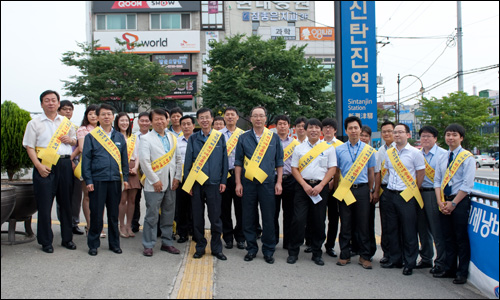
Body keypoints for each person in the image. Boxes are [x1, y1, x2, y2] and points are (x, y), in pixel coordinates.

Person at [23, 90, 78, 253]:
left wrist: (72, 140)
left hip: (65, 165)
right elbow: (29, 146)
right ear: (42, 104)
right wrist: (39, 166)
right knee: (45, 204)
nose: (51, 103)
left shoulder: (66, 123)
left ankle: (67, 239)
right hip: (44, 165)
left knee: (66, 204)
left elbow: (75, 141)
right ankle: (46, 241)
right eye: (47, 100)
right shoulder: (34, 123)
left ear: (58, 103)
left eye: (54, 100)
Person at [235, 106, 284, 264]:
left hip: (268, 183)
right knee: (248, 217)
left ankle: (268, 250)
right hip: (248, 183)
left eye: (261, 116)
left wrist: (279, 182)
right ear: (250, 118)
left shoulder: (273, 138)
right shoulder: (243, 137)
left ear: (265, 118)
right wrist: (238, 183)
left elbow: (279, 162)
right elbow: (238, 163)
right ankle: (251, 248)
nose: (258, 118)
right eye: (255, 116)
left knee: (269, 217)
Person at [287, 119, 337, 266]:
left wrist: (322, 185)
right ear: (306, 130)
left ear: (320, 131)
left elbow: (332, 168)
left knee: (319, 221)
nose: (313, 130)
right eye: (310, 127)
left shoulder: (328, 148)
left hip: (320, 188)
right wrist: (304, 185)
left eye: (316, 127)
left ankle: (317, 253)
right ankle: (293, 252)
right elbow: (294, 168)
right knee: (298, 220)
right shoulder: (299, 148)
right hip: (303, 187)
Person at [82, 104, 130, 256]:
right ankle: (93, 244)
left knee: (113, 214)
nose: (106, 117)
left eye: (109, 114)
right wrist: (88, 180)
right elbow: (86, 160)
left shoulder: (119, 137)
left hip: (115, 180)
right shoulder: (91, 137)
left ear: (113, 117)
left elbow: (124, 160)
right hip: (97, 180)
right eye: (103, 114)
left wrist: (126, 178)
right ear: (98, 117)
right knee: (96, 213)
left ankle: (114, 244)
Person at [183, 108, 228, 260]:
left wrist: (223, 181)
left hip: (214, 183)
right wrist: (188, 184)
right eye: (201, 118)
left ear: (212, 119)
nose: (204, 120)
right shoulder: (193, 138)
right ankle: (200, 247)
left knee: (215, 218)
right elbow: (188, 162)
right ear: (198, 120)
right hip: (196, 183)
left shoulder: (219, 137)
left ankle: (216, 248)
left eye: (206, 117)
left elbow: (224, 161)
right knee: (197, 217)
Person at [433, 124, 475, 285]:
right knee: (447, 237)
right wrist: (440, 201)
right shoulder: (443, 156)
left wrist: (453, 203)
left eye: (454, 135)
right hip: (444, 200)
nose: (450, 137)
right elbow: (437, 180)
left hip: (460, 201)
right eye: (448, 134)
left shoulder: (467, 157)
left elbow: (467, 185)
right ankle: (449, 269)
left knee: (460, 238)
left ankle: (462, 272)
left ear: (461, 138)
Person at [382, 123, 425, 276]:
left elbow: (421, 174)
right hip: (391, 193)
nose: (397, 135)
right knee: (392, 229)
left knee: (409, 230)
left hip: (407, 195)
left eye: (400, 132)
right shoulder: (389, 153)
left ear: (408, 134)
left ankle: (410, 262)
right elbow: (388, 172)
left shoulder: (415, 153)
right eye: (395, 132)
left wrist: (413, 191)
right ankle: (395, 259)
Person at [333, 116, 376, 270]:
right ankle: (344, 253)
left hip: (363, 189)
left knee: (363, 224)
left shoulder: (368, 150)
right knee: (345, 223)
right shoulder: (339, 149)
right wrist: (337, 188)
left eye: (356, 128)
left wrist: (371, 190)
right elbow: (337, 171)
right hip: (345, 189)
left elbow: (371, 172)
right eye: (350, 128)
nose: (353, 131)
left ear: (360, 129)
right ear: (346, 131)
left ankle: (365, 256)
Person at [139, 109, 182, 257]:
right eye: (156, 119)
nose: (160, 121)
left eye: (163, 119)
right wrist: (154, 180)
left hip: (171, 183)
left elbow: (178, 159)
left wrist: (177, 177)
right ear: (151, 121)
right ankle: (148, 244)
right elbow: (144, 162)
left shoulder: (172, 137)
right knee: (152, 215)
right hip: (154, 184)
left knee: (168, 214)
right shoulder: (146, 138)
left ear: (167, 120)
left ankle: (167, 242)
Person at [418, 125, 448, 274]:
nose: (425, 139)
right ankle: (426, 258)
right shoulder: (417, 154)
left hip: (434, 194)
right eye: (423, 136)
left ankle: (441, 261)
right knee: (422, 229)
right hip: (419, 192)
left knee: (437, 229)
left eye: (429, 136)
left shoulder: (443, 154)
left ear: (435, 139)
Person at [75, 105, 104, 237]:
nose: (93, 116)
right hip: (87, 166)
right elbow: (81, 148)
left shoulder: (104, 129)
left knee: (101, 198)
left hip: (102, 168)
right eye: (90, 113)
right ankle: (90, 225)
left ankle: (99, 227)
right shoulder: (83, 130)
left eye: (95, 114)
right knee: (87, 196)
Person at [220, 107, 246, 250]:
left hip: (240, 177)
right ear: (224, 117)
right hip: (223, 177)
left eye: (232, 115)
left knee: (241, 209)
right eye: (227, 115)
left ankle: (240, 237)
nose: (230, 117)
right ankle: (228, 237)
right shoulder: (217, 135)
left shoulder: (243, 135)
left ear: (237, 118)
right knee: (224, 209)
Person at [57, 100, 84, 235]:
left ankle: (74, 222)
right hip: (63, 163)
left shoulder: (75, 127)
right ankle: (64, 221)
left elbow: (79, 145)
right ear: (58, 110)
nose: (68, 112)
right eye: (65, 109)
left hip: (75, 164)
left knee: (76, 196)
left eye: (70, 109)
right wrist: (70, 160)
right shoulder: (56, 126)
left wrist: (73, 159)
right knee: (62, 195)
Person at [274, 115, 299, 250]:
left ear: (289, 126)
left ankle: (288, 242)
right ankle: (273, 240)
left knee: (289, 212)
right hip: (273, 180)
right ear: (276, 126)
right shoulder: (271, 141)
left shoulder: (295, 144)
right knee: (273, 212)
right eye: (280, 124)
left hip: (290, 180)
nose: (282, 126)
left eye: (285, 124)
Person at [115, 112, 141, 238]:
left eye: (126, 121)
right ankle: (121, 226)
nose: (124, 123)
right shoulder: (113, 137)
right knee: (122, 200)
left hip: (133, 169)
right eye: (121, 121)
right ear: (117, 122)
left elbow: (138, 155)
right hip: (120, 170)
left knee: (132, 200)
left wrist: (136, 168)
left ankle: (129, 226)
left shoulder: (134, 137)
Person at [373, 120, 395, 264]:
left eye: (390, 131)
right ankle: (387, 254)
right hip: (385, 189)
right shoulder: (380, 150)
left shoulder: (400, 149)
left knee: (399, 224)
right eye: (384, 132)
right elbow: (378, 173)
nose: (387, 134)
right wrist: (376, 192)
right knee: (386, 223)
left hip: (401, 191)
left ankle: (398, 254)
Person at [322, 118, 343, 258]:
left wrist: (332, 182)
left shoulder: (341, 146)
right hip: (319, 186)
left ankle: (330, 245)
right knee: (317, 216)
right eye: (325, 127)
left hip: (336, 187)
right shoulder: (317, 145)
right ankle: (314, 243)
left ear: (335, 130)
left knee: (334, 217)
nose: (328, 130)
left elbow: (340, 168)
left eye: (331, 127)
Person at [175, 115, 196, 243]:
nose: (186, 126)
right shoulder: (176, 141)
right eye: (184, 124)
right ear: (180, 126)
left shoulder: (199, 140)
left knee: (195, 207)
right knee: (181, 206)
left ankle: (194, 231)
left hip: (196, 178)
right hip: (181, 177)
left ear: (194, 126)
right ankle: (182, 233)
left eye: (189, 124)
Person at [132, 112, 152, 233]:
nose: (144, 123)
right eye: (142, 120)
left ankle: (152, 225)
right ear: (138, 122)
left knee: (151, 200)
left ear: (150, 122)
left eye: (146, 121)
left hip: (149, 171)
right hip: (135, 171)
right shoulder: (132, 137)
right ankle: (134, 223)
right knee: (134, 199)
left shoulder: (154, 136)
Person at [360, 125, 377, 259]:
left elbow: (374, 173)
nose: (363, 138)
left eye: (366, 136)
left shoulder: (373, 152)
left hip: (368, 190)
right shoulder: (352, 151)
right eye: (362, 135)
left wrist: (372, 191)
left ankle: (369, 250)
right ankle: (356, 247)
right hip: (353, 190)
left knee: (367, 222)